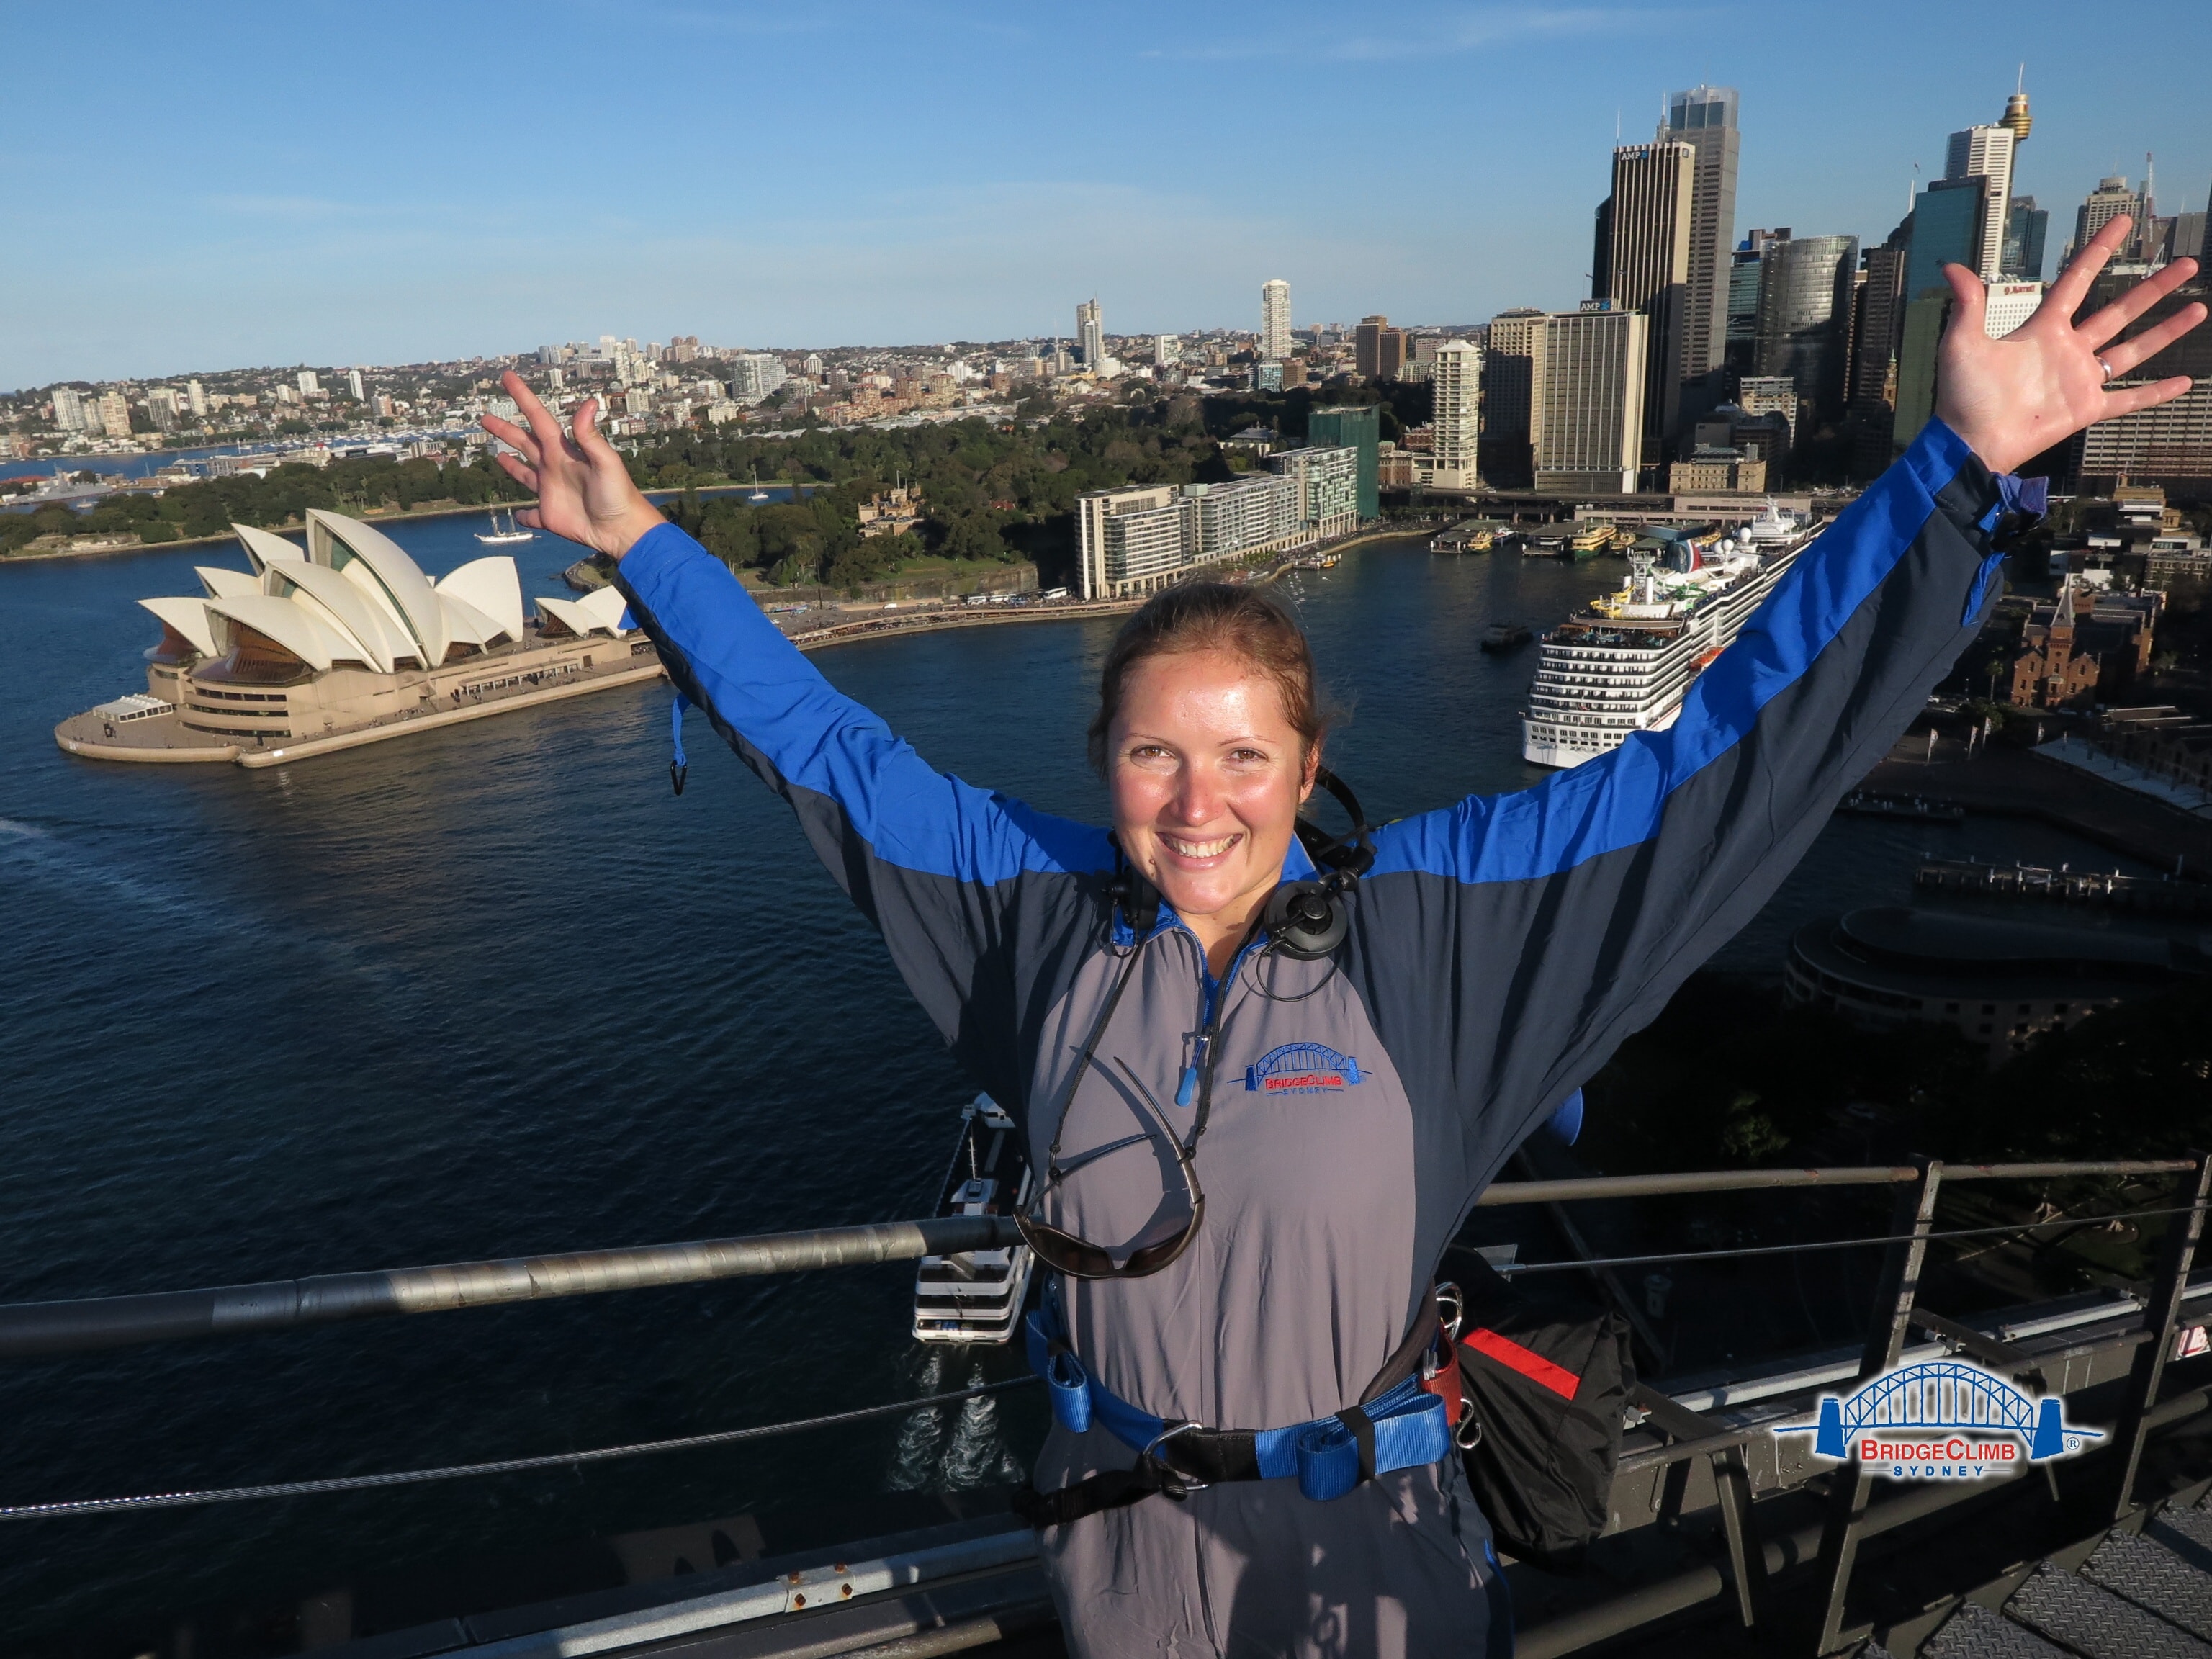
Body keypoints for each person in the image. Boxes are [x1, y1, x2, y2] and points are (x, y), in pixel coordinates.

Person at [485, 222, 2201, 1658]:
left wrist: (1960, 478)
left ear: (1305, 772)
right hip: (1117, 1575)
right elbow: (827, 748)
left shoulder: (1436, 939)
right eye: (1157, 752)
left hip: (1369, 1582)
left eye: (1244, 755)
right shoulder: (1027, 921)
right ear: (1103, 770)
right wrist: (642, 544)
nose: (1199, 800)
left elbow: (1721, 763)